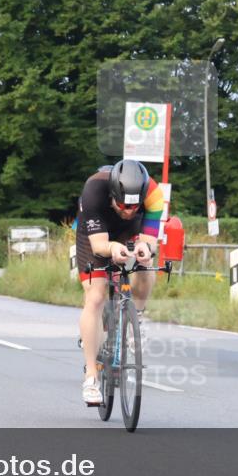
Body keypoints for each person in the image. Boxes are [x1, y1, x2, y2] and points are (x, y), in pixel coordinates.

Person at [76, 159, 164, 405]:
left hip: (130, 232)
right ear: (114, 195)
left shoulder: (154, 194)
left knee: (146, 263)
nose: (129, 210)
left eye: (135, 206)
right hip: (95, 235)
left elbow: (150, 238)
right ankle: (91, 377)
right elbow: (99, 246)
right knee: (96, 295)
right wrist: (113, 247)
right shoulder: (94, 190)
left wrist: (145, 247)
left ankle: (137, 317)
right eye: (124, 205)